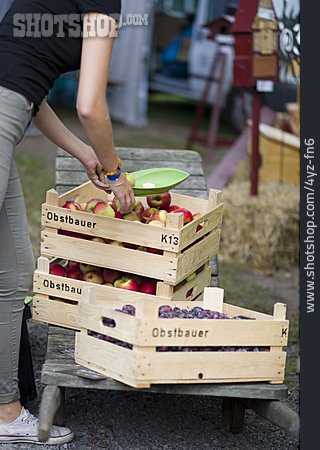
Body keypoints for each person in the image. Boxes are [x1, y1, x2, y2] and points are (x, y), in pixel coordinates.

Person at [0, 0, 135, 445]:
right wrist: (115, 172)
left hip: (11, 113)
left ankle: (6, 413)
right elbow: (91, 105)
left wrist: (85, 154)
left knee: (14, 270)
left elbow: (27, 84)